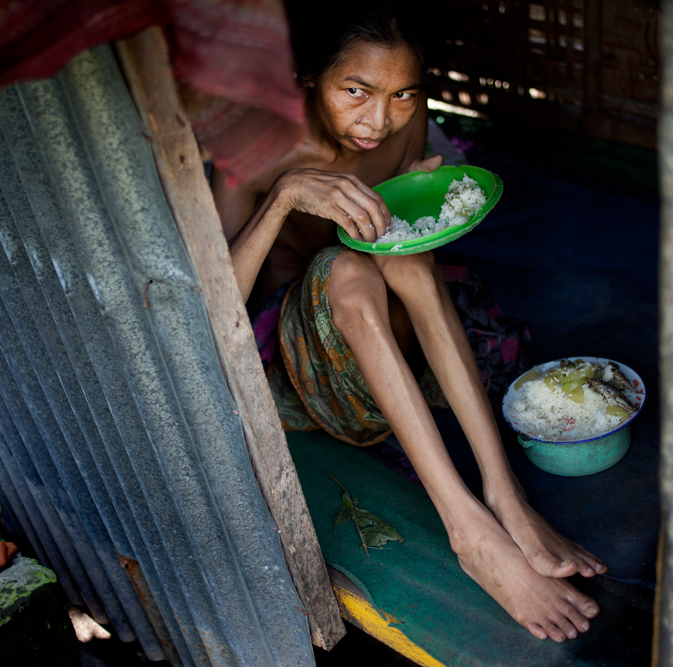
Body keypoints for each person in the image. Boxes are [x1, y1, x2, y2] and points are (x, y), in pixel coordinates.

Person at [211, 1, 606, 643]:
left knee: (406, 258)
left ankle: (505, 495)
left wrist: (424, 184)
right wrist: (286, 196)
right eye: (356, 92)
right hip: (314, 363)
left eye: (402, 95)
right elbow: (216, 303)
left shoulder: (403, 117)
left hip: (391, 337)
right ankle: (469, 531)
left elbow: (398, 226)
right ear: (309, 77)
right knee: (348, 268)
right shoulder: (257, 145)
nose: (378, 119)